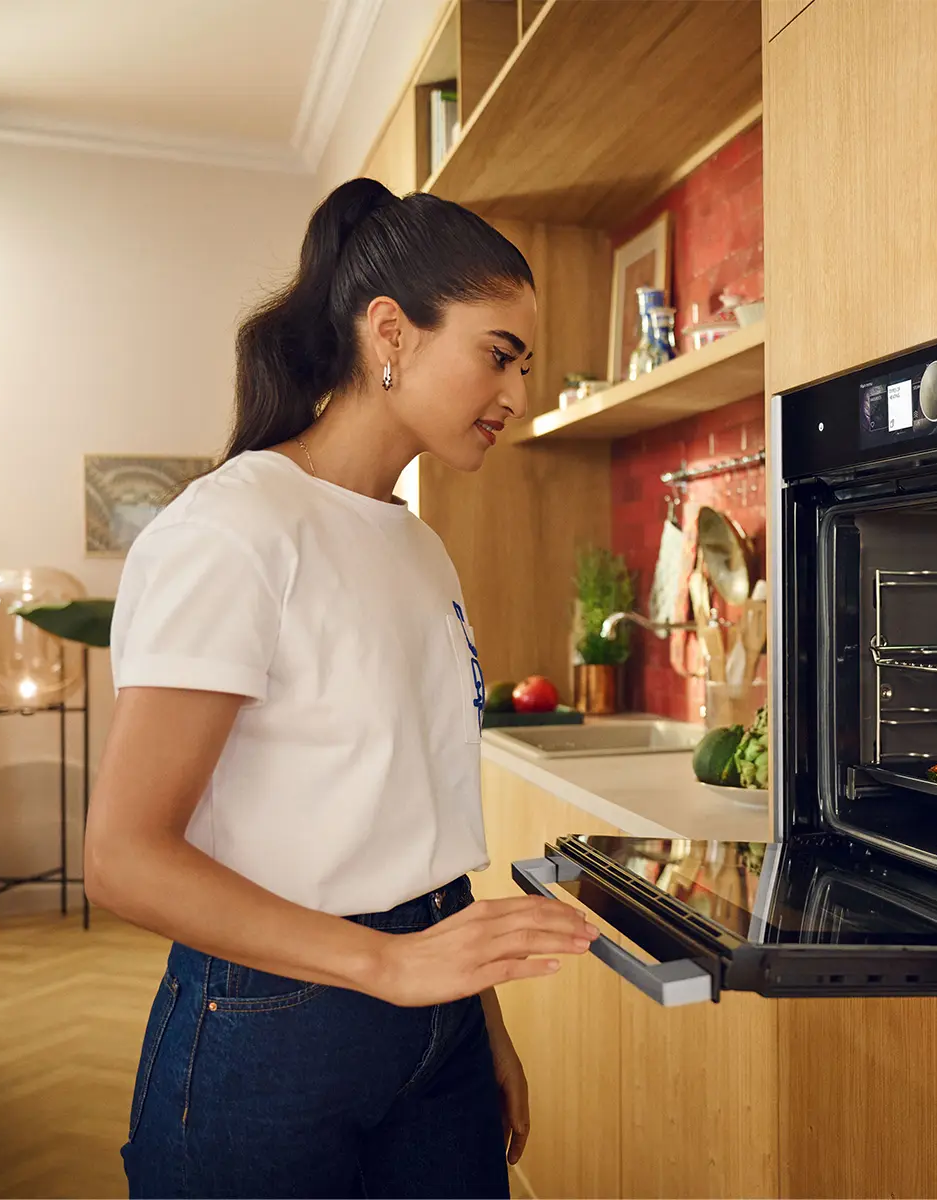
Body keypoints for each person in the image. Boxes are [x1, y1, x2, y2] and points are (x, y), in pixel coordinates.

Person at [84, 178, 599, 1199]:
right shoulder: (232, 530)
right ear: (389, 334)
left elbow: (417, 820)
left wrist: (469, 1019)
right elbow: (124, 861)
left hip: (435, 1026)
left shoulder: (419, 547)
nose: (518, 393)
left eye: (526, 366)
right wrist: (389, 969)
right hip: (270, 1029)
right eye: (499, 354)